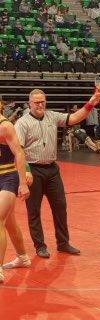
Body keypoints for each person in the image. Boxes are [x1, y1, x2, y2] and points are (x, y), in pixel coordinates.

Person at [14, 89, 100, 258]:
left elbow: (75, 118)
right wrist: (25, 173)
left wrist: (91, 102)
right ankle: (40, 246)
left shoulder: (52, 116)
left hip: (52, 169)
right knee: (34, 211)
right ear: (30, 103)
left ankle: (63, 243)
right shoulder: (22, 123)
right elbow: (19, 151)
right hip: (33, 169)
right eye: (37, 102)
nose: (40, 105)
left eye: (43, 102)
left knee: (60, 207)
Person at [0, 101, 30, 283]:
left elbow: (19, 153)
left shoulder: (5, 126)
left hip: (7, 177)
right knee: (9, 222)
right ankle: (23, 257)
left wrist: (23, 182)